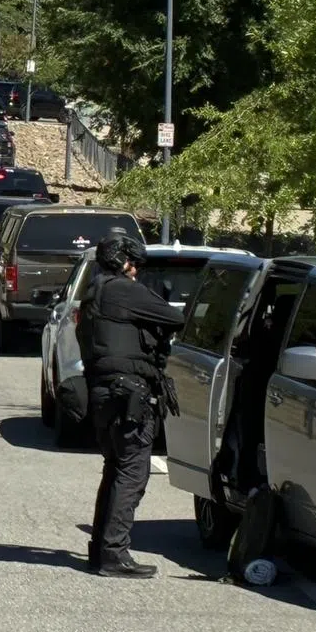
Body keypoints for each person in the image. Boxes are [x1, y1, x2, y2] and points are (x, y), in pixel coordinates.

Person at [76, 230, 185, 578]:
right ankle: (113, 553)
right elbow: (174, 317)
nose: (136, 270)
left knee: (115, 469)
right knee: (132, 474)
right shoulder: (123, 289)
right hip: (128, 395)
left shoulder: (94, 292)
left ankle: (101, 550)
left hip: (104, 393)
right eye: (133, 264)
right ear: (122, 262)